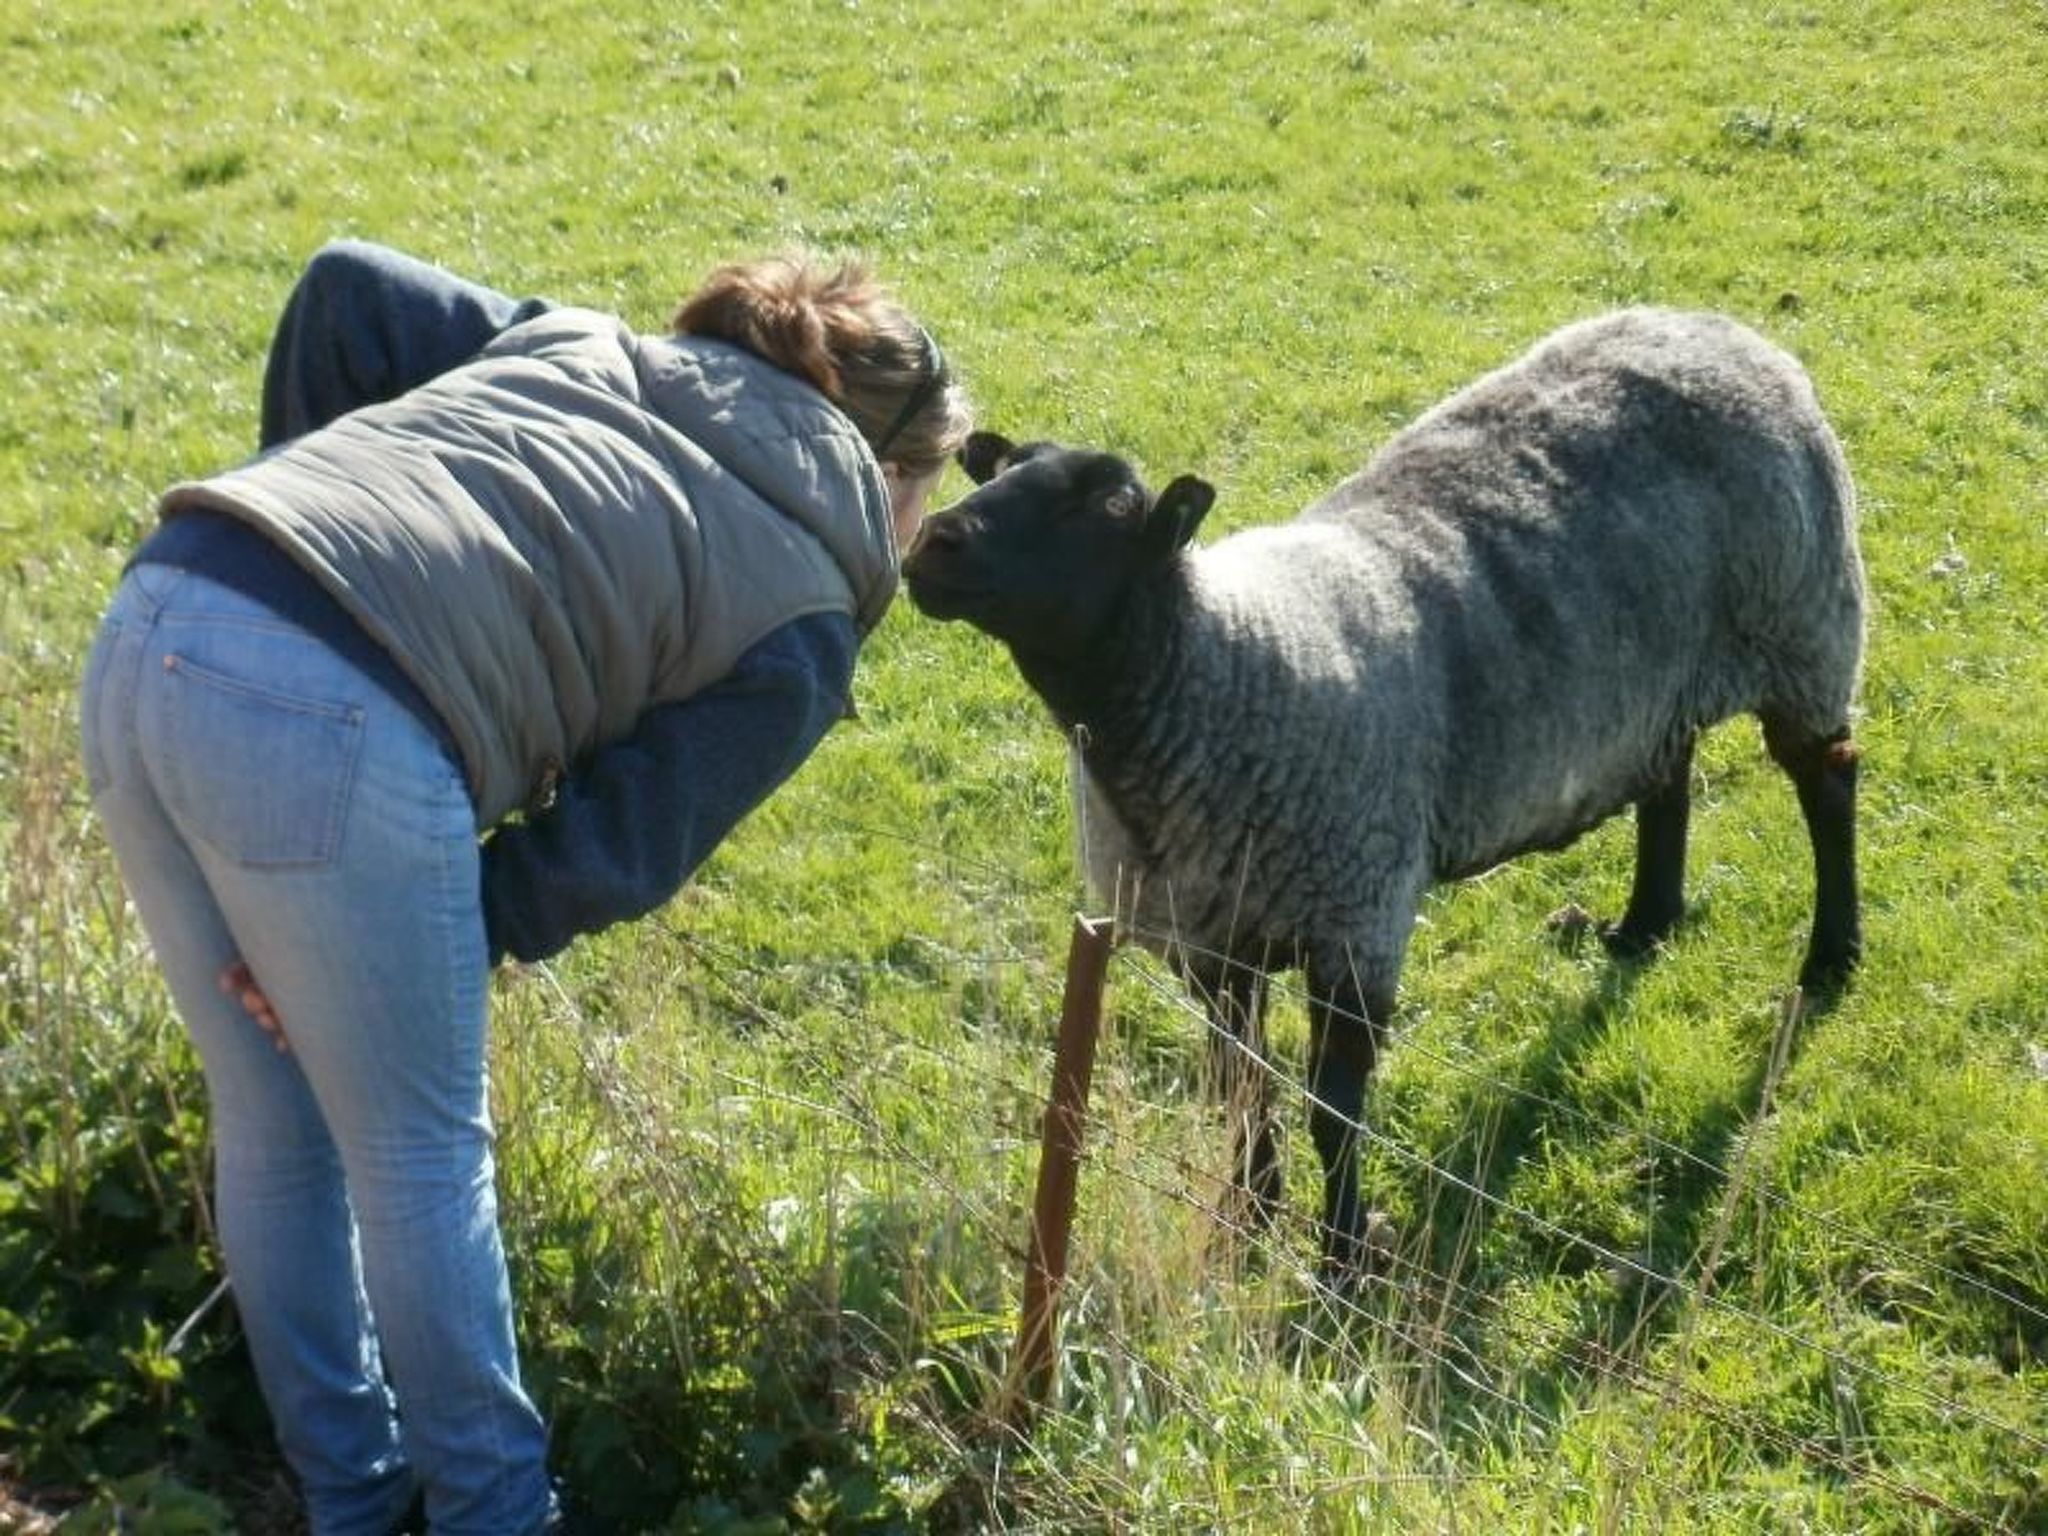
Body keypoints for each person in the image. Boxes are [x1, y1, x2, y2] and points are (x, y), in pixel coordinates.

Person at [77, 239, 971, 1535]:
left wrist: (327, 526)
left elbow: (347, 287)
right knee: (423, 1160)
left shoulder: (585, 344)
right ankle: (499, 1518)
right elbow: (624, 844)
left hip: (168, 600)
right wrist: (444, 924)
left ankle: (357, 1503)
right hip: (334, 718)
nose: (921, 530)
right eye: (929, 490)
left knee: (276, 1123)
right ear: (888, 472)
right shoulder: (810, 610)